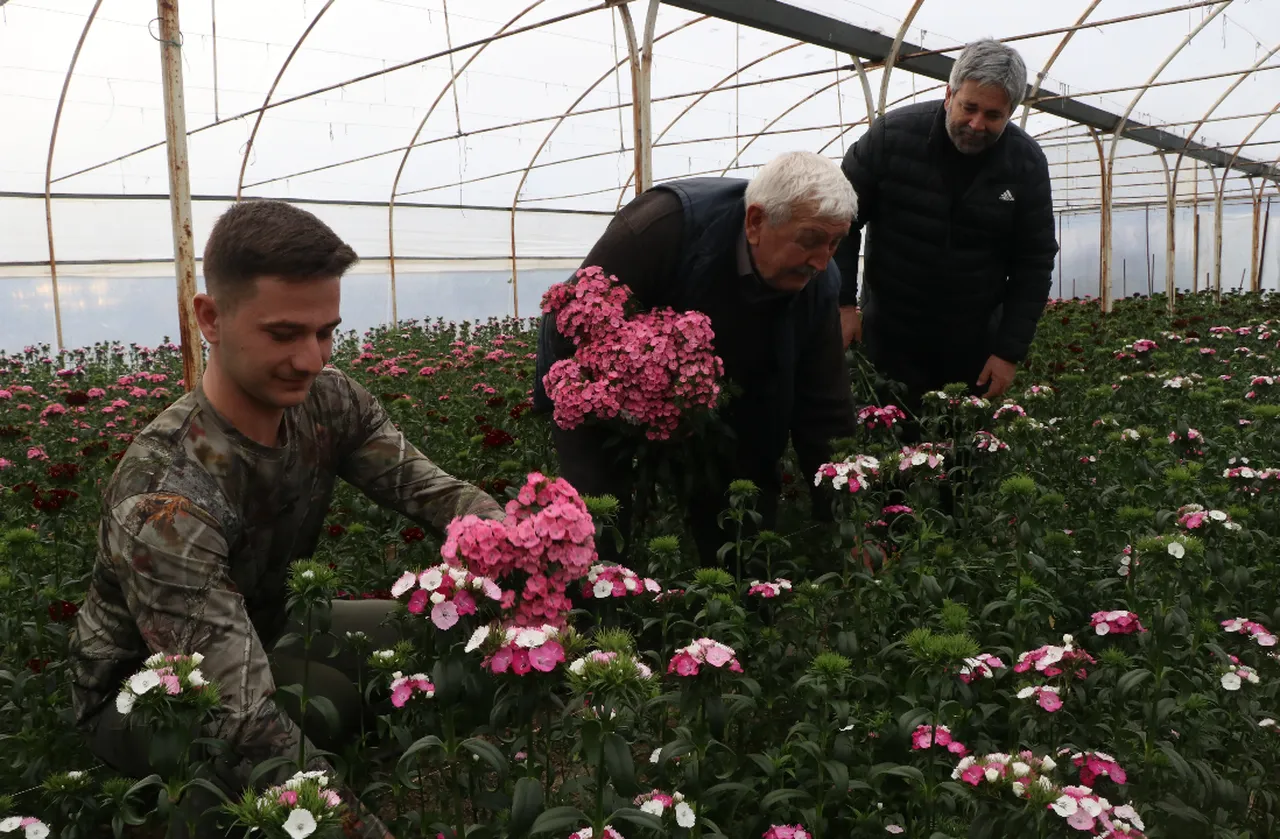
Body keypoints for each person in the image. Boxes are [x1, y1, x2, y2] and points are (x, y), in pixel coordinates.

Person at [68, 200, 503, 838]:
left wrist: (518, 547)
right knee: (310, 716)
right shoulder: (165, 499)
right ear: (210, 318)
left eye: (325, 331)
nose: (313, 358)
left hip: (266, 631)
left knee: (445, 629)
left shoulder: (329, 401)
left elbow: (438, 494)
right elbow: (240, 715)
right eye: (284, 334)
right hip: (147, 694)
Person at [533, 151, 859, 567]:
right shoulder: (661, 228)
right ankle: (591, 609)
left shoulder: (817, 282)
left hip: (718, 387)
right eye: (811, 239)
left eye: (835, 243)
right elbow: (577, 317)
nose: (823, 260)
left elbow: (824, 404)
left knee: (744, 509)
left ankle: (739, 608)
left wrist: (846, 521)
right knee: (597, 509)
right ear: (756, 223)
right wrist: (632, 400)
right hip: (597, 386)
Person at [834, 38, 1059, 415]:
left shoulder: (1026, 165)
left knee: (962, 457)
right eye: (969, 107)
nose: (976, 124)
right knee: (885, 452)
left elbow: (1034, 262)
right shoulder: (892, 138)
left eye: (993, 115)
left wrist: (1007, 352)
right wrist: (842, 304)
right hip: (889, 335)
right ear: (949, 93)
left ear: (1011, 113)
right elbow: (841, 219)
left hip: (971, 346)